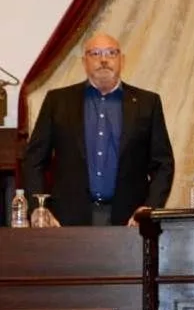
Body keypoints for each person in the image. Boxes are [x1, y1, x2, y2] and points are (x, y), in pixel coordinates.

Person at [22, 33, 175, 226]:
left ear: (122, 60)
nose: (104, 60)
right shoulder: (58, 101)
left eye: (111, 53)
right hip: (66, 221)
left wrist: (149, 210)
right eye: (95, 53)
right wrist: (39, 208)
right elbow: (34, 160)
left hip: (130, 222)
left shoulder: (147, 103)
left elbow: (163, 164)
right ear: (84, 62)